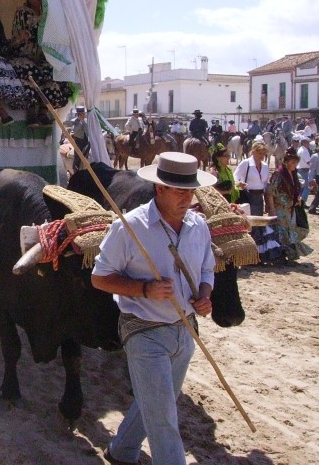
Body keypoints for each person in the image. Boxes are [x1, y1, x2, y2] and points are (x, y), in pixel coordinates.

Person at [92, 152, 215, 465]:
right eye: (180, 191)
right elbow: (100, 278)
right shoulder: (130, 228)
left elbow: (207, 270)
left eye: (191, 191)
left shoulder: (199, 225)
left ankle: (121, 451)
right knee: (164, 419)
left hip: (185, 331)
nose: (188, 199)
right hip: (144, 330)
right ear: (160, 189)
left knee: (158, 403)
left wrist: (204, 295)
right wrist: (144, 289)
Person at [234, 140, 283, 264]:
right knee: (249, 225)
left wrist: (268, 201)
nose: (262, 156)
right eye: (259, 153)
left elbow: (265, 184)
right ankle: (247, 254)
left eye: (263, 153)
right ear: (253, 152)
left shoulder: (265, 166)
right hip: (248, 196)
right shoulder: (246, 163)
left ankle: (257, 254)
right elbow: (235, 177)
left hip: (259, 197)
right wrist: (240, 184)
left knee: (258, 225)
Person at [265, 148, 312, 262]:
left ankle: (289, 254)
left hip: (290, 209)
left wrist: (298, 198)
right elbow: (270, 192)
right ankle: (280, 255)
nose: (294, 165)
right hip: (279, 208)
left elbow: (295, 190)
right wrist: (271, 209)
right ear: (286, 162)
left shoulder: (294, 174)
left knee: (290, 231)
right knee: (280, 232)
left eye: (296, 163)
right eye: (292, 163)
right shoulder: (279, 174)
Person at [69, 106, 90, 175]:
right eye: (83, 113)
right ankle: (75, 169)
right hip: (79, 140)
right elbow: (74, 130)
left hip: (86, 139)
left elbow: (88, 129)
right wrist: (80, 122)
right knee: (77, 155)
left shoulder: (86, 120)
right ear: (79, 114)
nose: (84, 115)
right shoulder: (74, 121)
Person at [297, 137, 312, 206]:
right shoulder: (305, 150)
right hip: (304, 170)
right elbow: (308, 161)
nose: (308, 144)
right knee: (307, 187)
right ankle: (303, 202)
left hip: (300, 169)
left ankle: (298, 201)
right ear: (303, 143)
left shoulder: (300, 149)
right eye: (307, 142)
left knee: (301, 187)